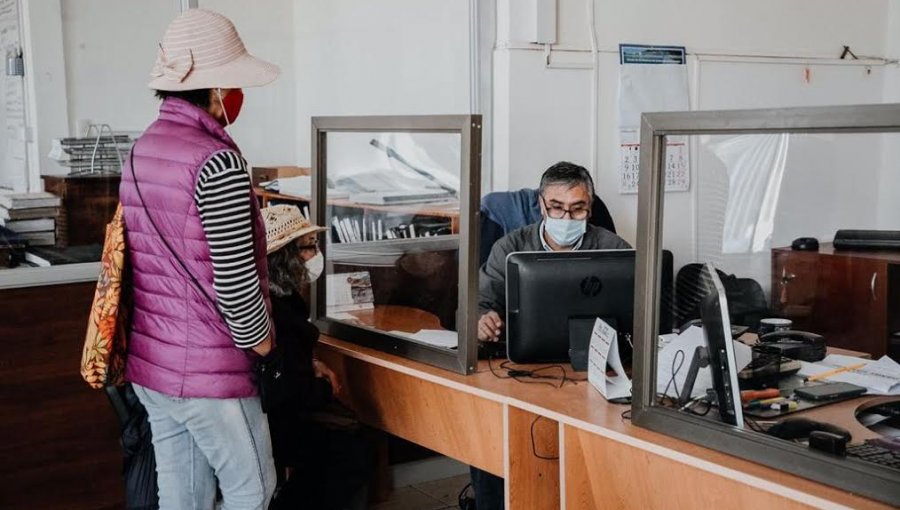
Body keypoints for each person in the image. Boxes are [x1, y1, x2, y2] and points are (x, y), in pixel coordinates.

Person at [119, 9, 281, 509]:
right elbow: (234, 282)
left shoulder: (141, 150)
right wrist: (264, 342)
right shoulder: (218, 162)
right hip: (210, 372)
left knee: (183, 497)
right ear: (216, 91)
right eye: (233, 82)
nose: (238, 95)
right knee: (253, 491)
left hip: (154, 366)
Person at [471, 161, 630, 510]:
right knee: (498, 440)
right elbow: (479, 303)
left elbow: (638, 308)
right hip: (523, 371)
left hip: (593, 373)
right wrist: (484, 318)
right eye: (556, 208)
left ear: (590, 207)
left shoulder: (613, 247)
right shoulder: (510, 247)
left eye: (577, 209)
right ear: (542, 204)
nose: (566, 218)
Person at [261, 204, 373, 510]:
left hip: (287, 405)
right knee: (348, 450)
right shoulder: (275, 311)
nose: (316, 254)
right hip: (279, 416)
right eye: (309, 247)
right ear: (286, 256)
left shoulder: (284, 296)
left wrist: (312, 364)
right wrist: (322, 388)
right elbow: (291, 388)